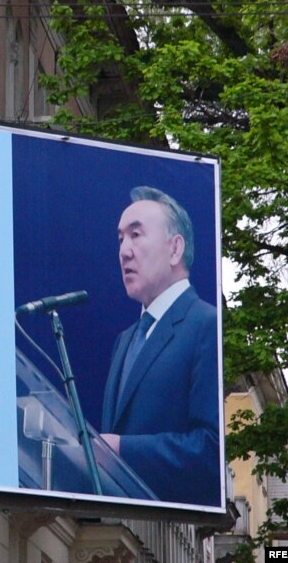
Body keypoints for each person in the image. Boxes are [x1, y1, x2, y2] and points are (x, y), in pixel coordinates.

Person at [100, 186, 220, 506]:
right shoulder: (125, 341)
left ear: (175, 249)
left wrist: (121, 449)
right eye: (120, 239)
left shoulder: (206, 325)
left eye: (136, 235)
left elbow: (210, 450)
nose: (124, 251)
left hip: (170, 523)